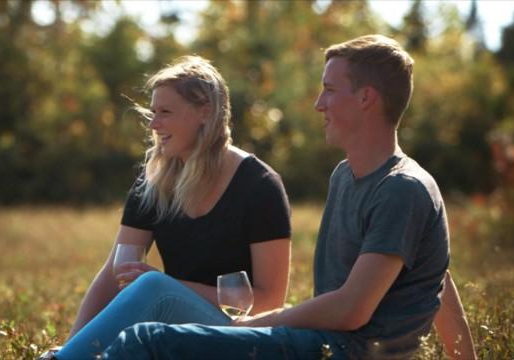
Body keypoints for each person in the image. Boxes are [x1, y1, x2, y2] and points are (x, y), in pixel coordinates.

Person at [98, 35, 476, 359]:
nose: (318, 103)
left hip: (339, 350)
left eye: (329, 90)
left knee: (145, 342)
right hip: (320, 341)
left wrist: (253, 325)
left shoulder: (402, 188)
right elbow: (434, 274)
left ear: (366, 98)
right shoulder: (346, 176)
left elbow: (350, 312)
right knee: (148, 338)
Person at [40, 56, 292, 359]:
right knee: (151, 290)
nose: (154, 124)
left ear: (205, 112)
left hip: (241, 334)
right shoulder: (153, 183)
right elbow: (113, 274)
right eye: (153, 113)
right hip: (176, 329)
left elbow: (270, 300)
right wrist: (71, 345)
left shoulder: (259, 185)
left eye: (166, 112)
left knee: (152, 287)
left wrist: (169, 287)